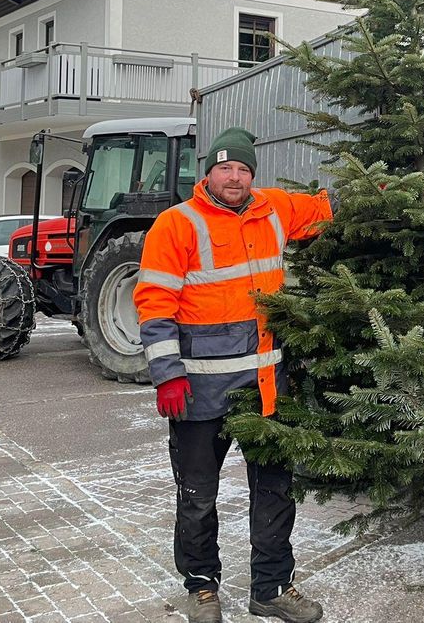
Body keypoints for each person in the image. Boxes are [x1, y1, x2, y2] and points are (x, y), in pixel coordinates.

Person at [135, 126, 332, 623]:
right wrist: (167, 375)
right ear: (209, 174)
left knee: (274, 490)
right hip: (198, 391)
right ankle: (202, 588)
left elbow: (323, 209)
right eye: (225, 168)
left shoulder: (275, 209)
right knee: (198, 496)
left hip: (265, 386)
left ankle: (271, 589)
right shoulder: (175, 225)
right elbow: (154, 303)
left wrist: (372, 191)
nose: (235, 177)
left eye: (243, 169)